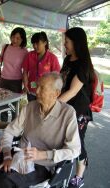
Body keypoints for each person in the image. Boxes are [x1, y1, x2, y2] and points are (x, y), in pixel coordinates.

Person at [0, 72, 81, 188]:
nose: (37, 91)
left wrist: (43, 155)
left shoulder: (67, 114)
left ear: (56, 93)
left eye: (42, 88)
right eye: (37, 86)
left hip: (42, 165)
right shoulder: (30, 107)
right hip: (19, 155)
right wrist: (7, 155)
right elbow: (9, 131)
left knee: (4, 182)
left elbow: (74, 150)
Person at [59, 27, 94, 188]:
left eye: (67, 41)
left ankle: (79, 177)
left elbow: (72, 91)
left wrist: (51, 106)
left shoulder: (83, 64)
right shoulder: (67, 60)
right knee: (63, 139)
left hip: (79, 111)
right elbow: (61, 82)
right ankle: (61, 170)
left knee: (77, 142)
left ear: (76, 42)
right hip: (65, 107)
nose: (64, 44)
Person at [22, 31, 60, 101]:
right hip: (31, 91)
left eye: (37, 43)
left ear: (45, 43)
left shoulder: (53, 58)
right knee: (32, 110)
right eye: (33, 44)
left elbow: (56, 76)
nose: (35, 46)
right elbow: (25, 72)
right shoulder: (29, 56)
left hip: (46, 92)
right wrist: (25, 85)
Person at [0, 27, 28, 93]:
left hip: (16, 81)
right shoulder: (5, 47)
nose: (14, 40)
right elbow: (0, 59)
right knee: (2, 101)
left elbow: (26, 69)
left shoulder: (24, 51)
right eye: (13, 37)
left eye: (18, 38)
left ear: (22, 39)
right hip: (3, 79)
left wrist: (25, 85)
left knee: (13, 102)